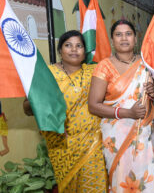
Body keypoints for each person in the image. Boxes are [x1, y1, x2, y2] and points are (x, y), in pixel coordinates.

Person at [23, 30, 108, 192]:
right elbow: (26, 108)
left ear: (85, 52)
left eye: (79, 46)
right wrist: (43, 101)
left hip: (92, 143)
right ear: (60, 51)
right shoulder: (46, 74)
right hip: (61, 144)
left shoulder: (95, 72)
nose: (74, 49)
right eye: (68, 45)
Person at [88, 20, 154, 193]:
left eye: (128, 34)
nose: (124, 38)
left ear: (136, 39)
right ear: (112, 40)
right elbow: (93, 105)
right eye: (118, 34)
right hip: (116, 135)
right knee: (122, 177)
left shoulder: (146, 64)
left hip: (142, 132)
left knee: (146, 176)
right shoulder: (104, 66)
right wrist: (128, 113)